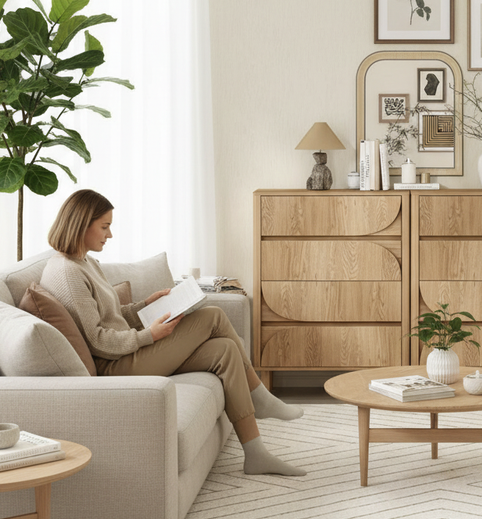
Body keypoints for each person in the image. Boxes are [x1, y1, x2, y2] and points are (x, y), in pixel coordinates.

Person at [40, 189, 306, 475]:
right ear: (81, 223)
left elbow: (111, 316)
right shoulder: (68, 273)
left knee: (225, 351)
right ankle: (261, 398)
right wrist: (149, 335)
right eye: (105, 226)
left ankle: (256, 453)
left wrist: (145, 305)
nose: (110, 234)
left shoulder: (85, 262)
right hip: (117, 366)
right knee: (214, 316)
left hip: (127, 352)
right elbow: (99, 341)